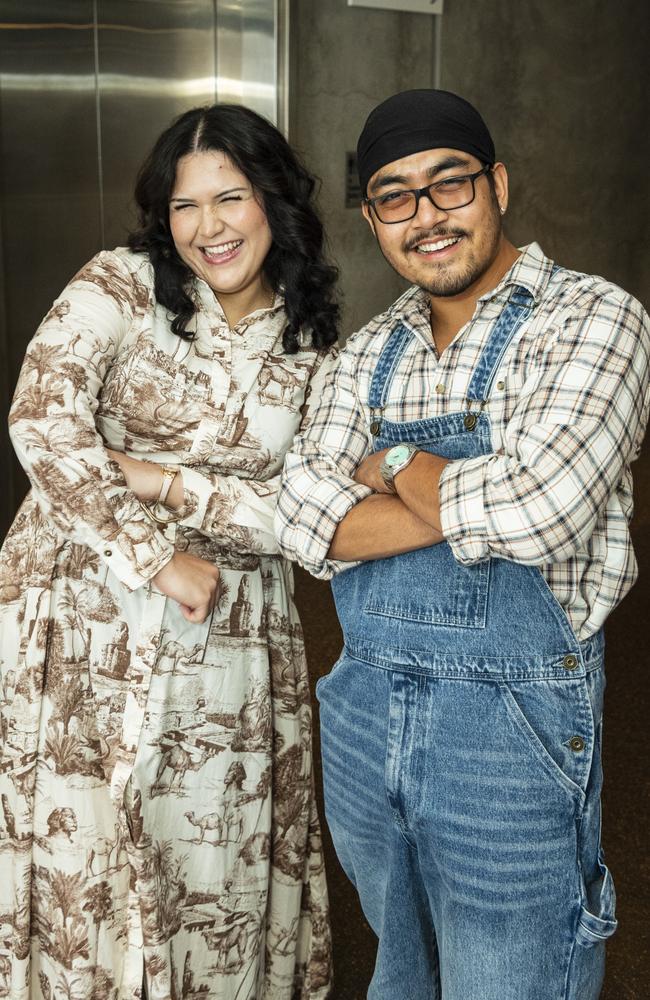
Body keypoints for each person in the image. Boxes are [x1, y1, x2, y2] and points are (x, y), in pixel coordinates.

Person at [275, 89, 650, 1000]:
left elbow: (541, 509)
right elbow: (301, 522)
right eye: (395, 197)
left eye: (451, 184)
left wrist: (391, 458)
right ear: (373, 218)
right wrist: (456, 491)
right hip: (363, 707)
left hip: (512, 720)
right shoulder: (361, 352)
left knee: (509, 976)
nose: (427, 216)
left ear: (500, 185)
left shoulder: (595, 319)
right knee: (399, 968)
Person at [0, 103, 337, 999]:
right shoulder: (119, 286)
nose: (209, 228)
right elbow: (42, 420)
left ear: (276, 199)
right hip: (81, 615)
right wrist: (156, 556)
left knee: (208, 854)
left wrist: (167, 482)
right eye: (185, 207)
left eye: (232, 198)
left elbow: (305, 512)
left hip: (232, 635)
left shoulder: (314, 346)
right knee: (88, 847)